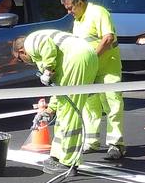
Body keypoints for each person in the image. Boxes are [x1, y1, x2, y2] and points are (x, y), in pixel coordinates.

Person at [16, 29, 106, 172]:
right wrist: (50, 109)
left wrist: (47, 70)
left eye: (21, 60)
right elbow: (59, 89)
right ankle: (57, 156)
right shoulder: (59, 55)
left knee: (70, 112)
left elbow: (46, 43)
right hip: (87, 57)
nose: (25, 63)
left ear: (22, 51)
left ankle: (68, 162)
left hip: (77, 59)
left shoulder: (31, 41)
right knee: (65, 109)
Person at [62, 0, 125, 160]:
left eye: (70, 8)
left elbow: (108, 38)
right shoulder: (78, 20)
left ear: (79, 3)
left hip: (107, 67)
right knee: (90, 105)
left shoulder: (98, 12)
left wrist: (92, 58)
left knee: (112, 103)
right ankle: (91, 141)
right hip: (91, 69)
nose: (69, 13)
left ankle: (116, 144)